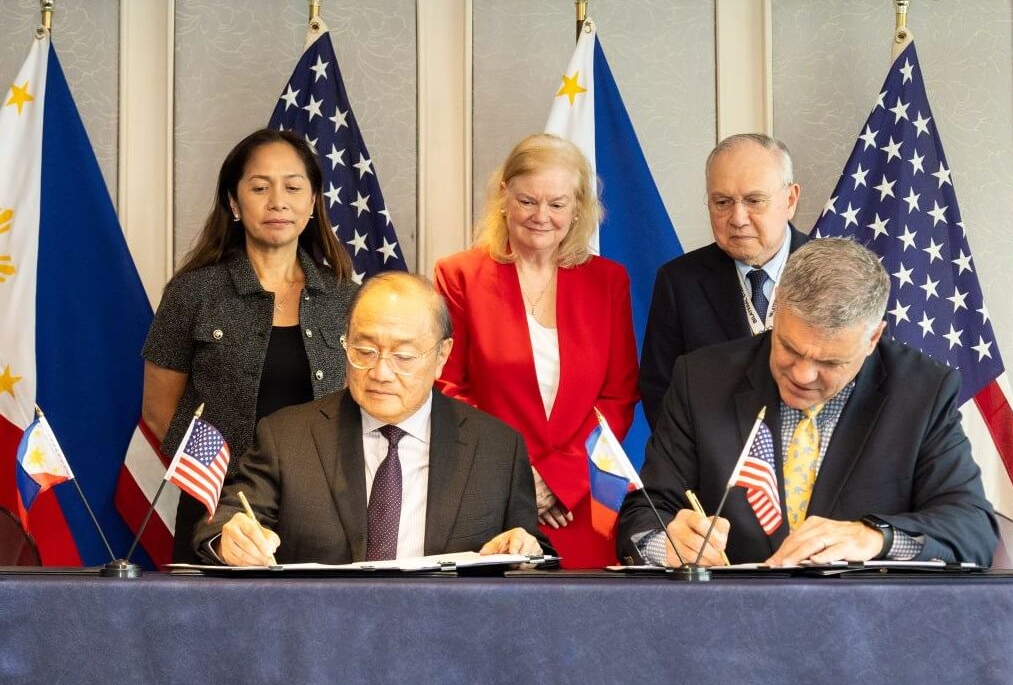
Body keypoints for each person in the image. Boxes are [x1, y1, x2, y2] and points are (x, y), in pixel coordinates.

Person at [617, 238, 998, 567]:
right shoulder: (701, 379)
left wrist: (874, 538)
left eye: (829, 362)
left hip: (866, 636)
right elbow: (642, 516)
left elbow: (972, 529)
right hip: (729, 628)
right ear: (777, 307)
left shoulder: (922, 393)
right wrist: (664, 545)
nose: (801, 375)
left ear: (873, 338)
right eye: (789, 347)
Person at [192, 272, 547, 565]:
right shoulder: (287, 437)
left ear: (442, 355)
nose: (380, 372)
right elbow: (224, 524)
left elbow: (532, 550)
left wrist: (523, 551)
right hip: (319, 636)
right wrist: (230, 540)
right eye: (364, 351)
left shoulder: (497, 449)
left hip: (446, 640)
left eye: (404, 356)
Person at [142, 128, 357, 562]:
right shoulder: (192, 292)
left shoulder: (347, 298)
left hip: (326, 512)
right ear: (234, 203)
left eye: (294, 187)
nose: (278, 200)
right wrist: (213, 480)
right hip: (217, 509)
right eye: (260, 187)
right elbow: (159, 408)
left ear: (312, 203)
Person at [434, 134, 639, 568]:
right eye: (528, 200)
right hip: (489, 496)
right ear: (504, 196)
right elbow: (448, 387)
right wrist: (520, 478)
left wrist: (561, 479)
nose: (541, 216)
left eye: (557, 204)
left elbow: (618, 398)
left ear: (579, 207)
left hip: (581, 502)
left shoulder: (608, 282)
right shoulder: (459, 276)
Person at [640, 133, 809, 429]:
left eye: (754, 200)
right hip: (714, 467)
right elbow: (660, 391)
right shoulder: (679, 282)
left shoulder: (842, 273)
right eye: (722, 202)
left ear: (790, 199)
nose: (738, 218)